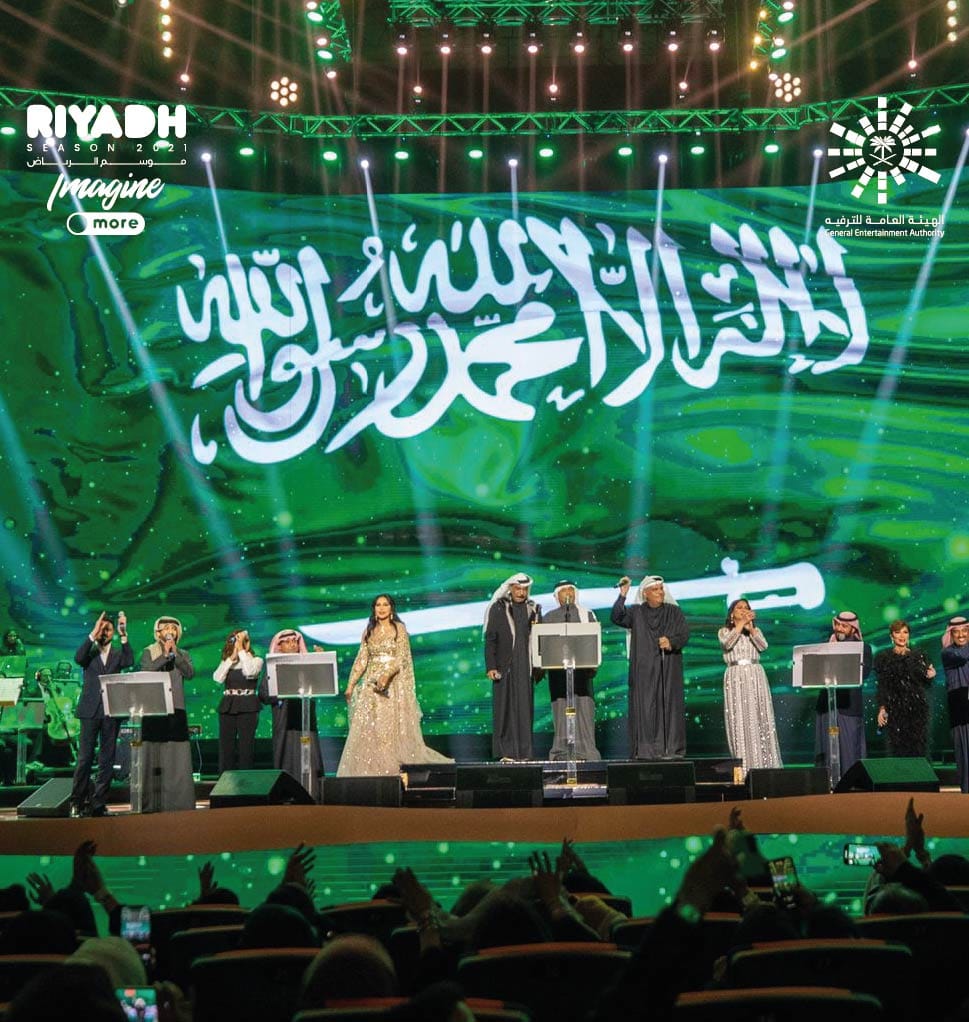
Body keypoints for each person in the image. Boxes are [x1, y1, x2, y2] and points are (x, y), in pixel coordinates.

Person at [338, 594, 452, 777]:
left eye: (385, 604)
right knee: (371, 729)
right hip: (371, 687)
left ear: (391, 608)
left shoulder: (399, 629)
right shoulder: (368, 631)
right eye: (378, 605)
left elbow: (402, 658)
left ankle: (392, 767)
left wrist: (386, 675)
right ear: (374, 609)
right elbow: (362, 660)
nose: (382, 608)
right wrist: (351, 684)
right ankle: (373, 768)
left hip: (392, 687)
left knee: (389, 728)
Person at [612, 575, 690, 759]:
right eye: (655, 589)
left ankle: (671, 749)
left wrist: (671, 642)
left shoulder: (674, 611)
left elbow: (684, 634)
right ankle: (646, 750)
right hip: (644, 669)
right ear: (645, 593)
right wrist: (623, 594)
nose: (660, 592)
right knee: (645, 707)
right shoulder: (636, 612)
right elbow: (616, 617)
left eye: (661, 588)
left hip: (668, 667)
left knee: (668, 706)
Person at [71, 611, 133, 817]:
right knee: (85, 758)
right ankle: (77, 801)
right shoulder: (89, 653)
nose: (104, 632)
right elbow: (78, 657)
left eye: (108, 629)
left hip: (111, 711)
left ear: (113, 632)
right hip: (90, 711)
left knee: (107, 759)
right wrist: (93, 632)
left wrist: (124, 634)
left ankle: (98, 803)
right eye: (101, 628)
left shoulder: (117, 654)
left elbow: (129, 660)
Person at [718, 598, 782, 776]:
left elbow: (763, 646)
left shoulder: (755, 631)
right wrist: (740, 625)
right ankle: (744, 768)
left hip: (755, 676)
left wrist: (751, 629)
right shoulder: (724, 631)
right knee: (740, 718)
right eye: (739, 608)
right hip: (736, 676)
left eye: (746, 608)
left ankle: (767, 767)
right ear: (732, 614)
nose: (744, 610)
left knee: (759, 717)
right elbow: (727, 643)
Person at [138, 615, 195, 812]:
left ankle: (178, 803)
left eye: (174, 628)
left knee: (176, 757)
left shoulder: (183, 654)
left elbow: (189, 673)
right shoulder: (148, 651)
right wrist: (164, 655)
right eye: (166, 628)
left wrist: (175, 654)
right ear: (158, 632)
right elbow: (147, 670)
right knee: (153, 754)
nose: (170, 631)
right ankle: (152, 803)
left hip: (176, 710)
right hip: (154, 710)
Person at [484, 573, 543, 762]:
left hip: (525, 666)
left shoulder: (533, 609)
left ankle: (524, 753)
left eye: (524, 589)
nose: (521, 593)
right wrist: (491, 666)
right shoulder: (499, 607)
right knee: (504, 710)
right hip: (504, 667)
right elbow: (490, 639)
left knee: (525, 710)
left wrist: (539, 667)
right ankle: (505, 752)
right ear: (510, 588)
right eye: (518, 589)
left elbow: (540, 639)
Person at [543, 580, 601, 762]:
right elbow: (543, 644)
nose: (568, 593)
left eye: (571, 590)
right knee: (561, 711)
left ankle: (587, 752)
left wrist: (593, 664)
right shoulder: (549, 617)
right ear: (557, 596)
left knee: (584, 710)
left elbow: (594, 639)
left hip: (582, 672)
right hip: (558, 673)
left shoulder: (586, 614)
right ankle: (561, 753)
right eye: (564, 591)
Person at [266, 628, 324, 799]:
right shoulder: (272, 668)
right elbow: (264, 693)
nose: (292, 645)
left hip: (305, 722)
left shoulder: (307, 665)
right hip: (284, 722)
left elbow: (321, 684)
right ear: (279, 646)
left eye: (295, 641)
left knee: (310, 756)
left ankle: (311, 793)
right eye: (287, 642)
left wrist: (319, 661)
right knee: (286, 756)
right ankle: (285, 795)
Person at [815, 610, 872, 776]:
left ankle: (851, 784)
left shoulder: (863, 648)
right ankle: (828, 782)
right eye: (837, 625)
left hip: (848, 706)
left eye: (844, 626)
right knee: (826, 749)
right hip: (827, 705)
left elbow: (864, 674)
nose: (839, 628)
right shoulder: (826, 646)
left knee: (850, 751)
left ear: (853, 629)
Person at [874, 619, 936, 758]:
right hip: (894, 709)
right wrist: (882, 708)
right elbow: (882, 686)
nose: (902, 636)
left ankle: (919, 772)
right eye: (898, 632)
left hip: (917, 708)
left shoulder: (919, 656)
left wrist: (930, 676)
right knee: (898, 748)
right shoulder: (883, 658)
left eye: (905, 632)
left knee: (918, 747)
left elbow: (926, 683)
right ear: (891, 636)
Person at [214, 628, 263, 772]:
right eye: (236, 641)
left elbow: (250, 672)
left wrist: (242, 651)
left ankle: (245, 780)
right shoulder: (227, 661)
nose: (239, 643)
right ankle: (225, 779)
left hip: (248, 705)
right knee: (226, 746)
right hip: (228, 705)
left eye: (243, 640)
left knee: (246, 746)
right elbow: (217, 678)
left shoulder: (256, 660)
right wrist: (231, 659)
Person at [941, 615, 969, 793]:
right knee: (963, 751)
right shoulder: (947, 653)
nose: (961, 635)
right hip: (959, 706)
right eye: (956, 632)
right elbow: (962, 655)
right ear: (950, 634)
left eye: (965, 631)